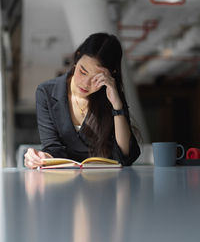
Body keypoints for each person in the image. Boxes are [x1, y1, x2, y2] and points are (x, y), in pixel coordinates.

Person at [24, 32, 140, 169]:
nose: (86, 83)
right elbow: (53, 147)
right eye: (83, 72)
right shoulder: (46, 92)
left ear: (111, 75)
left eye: (97, 78)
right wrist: (42, 158)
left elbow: (125, 156)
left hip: (104, 180)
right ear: (77, 57)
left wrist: (117, 105)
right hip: (63, 178)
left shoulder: (111, 96)